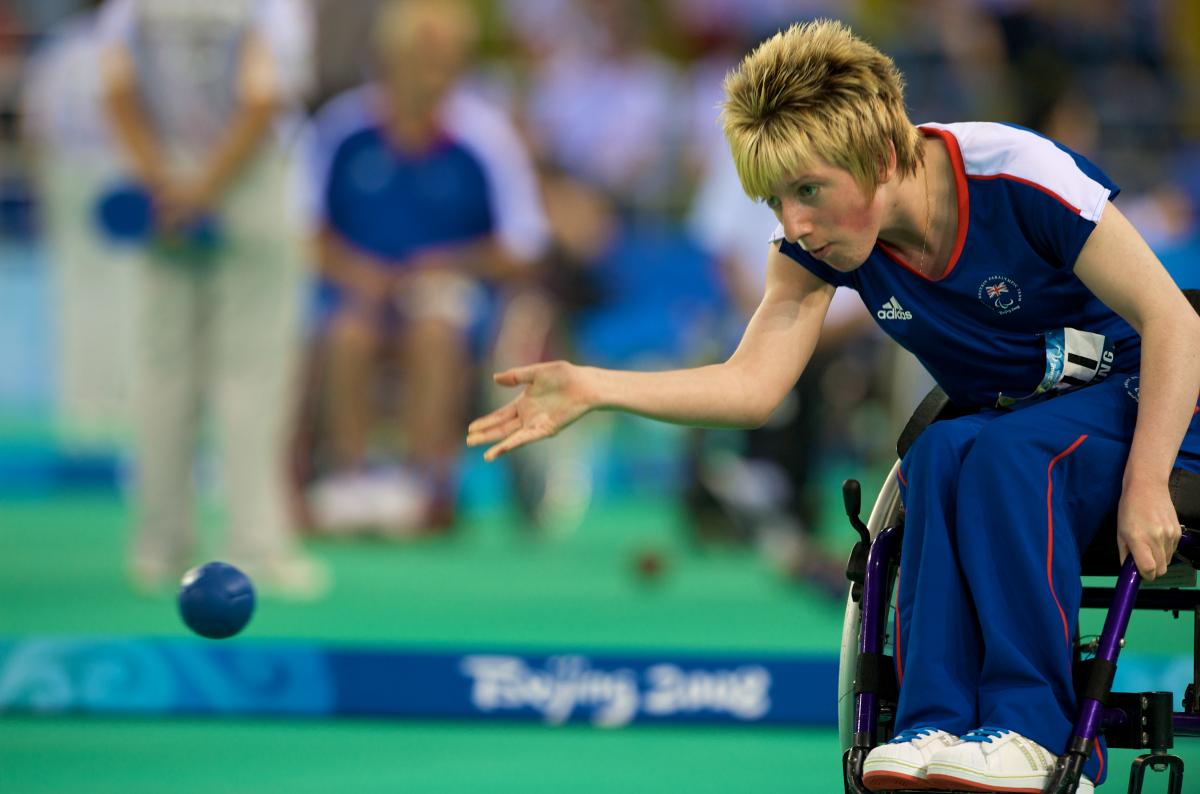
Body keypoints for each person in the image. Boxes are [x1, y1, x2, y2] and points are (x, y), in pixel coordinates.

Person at [467, 19, 1200, 794]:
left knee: (1005, 454)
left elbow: (1175, 322)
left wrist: (1150, 482)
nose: (793, 224)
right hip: (1029, 420)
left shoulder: (1017, 174)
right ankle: (933, 728)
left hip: (1155, 400)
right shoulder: (820, 249)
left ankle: (1035, 734)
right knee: (938, 454)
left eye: (808, 192)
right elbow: (751, 385)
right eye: (776, 200)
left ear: (882, 158)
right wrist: (596, 386)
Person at [99, 0, 326, 597]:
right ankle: (255, 546)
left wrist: (164, 182)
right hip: (243, 185)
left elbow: (116, 91)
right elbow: (262, 97)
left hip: (167, 184)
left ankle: (158, 545)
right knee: (252, 377)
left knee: (163, 373)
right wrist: (205, 189)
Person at [302, 0, 548, 536]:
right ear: (388, 58)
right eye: (421, 56)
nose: (433, 71)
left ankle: (427, 484)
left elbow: (523, 244)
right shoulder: (341, 129)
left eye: (446, 58)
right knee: (346, 334)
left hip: (451, 294)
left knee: (435, 331)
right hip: (356, 288)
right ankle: (350, 481)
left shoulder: (486, 136)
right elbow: (304, 231)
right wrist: (355, 272)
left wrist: (449, 262)